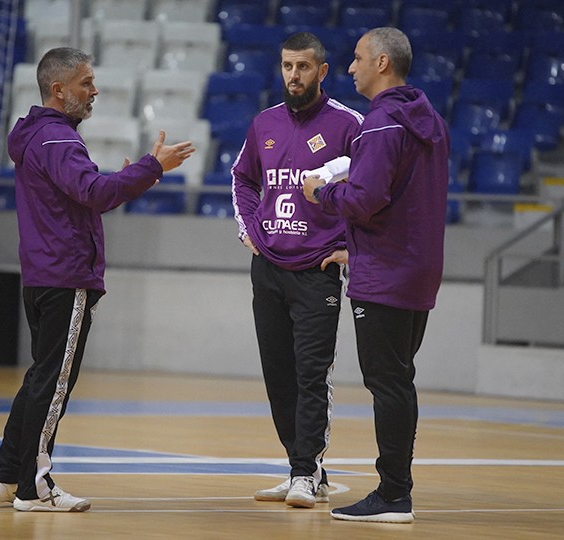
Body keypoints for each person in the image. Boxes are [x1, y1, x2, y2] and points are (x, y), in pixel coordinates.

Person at [0, 47, 194, 512]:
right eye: (86, 83)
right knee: (54, 382)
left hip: (41, 273)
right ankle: (34, 487)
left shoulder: (36, 137)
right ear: (59, 90)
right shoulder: (58, 139)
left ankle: (5, 474)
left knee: (41, 376)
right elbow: (96, 193)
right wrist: (151, 167)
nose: (94, 91)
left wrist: (129, 176)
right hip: (65, 274)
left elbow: (79, 194)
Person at [302, 27, 450, 523]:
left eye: (358, 57)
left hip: (386, 275)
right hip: (414, 269)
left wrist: (321, 193)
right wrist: (359, 252)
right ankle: (395, 490)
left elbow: (364, 200)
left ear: (382, 63)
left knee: (387, 383)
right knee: (398, 379)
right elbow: (406, 201)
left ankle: (392, 495)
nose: (350, 67)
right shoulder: (430, 121)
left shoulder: (382, 124)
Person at [232, 32, 364, 509]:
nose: (294, 75)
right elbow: (242, 178)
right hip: (267, 267)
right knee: (278, 374)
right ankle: (303, 468)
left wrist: (354, 247)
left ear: (322, 71)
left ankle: (305, 471)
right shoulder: (263, 122)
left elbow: (374, 189)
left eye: (303, 67)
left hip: (316, 270)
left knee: (311, 373)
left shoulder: (350, 124)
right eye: (288, 66)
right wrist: (247, 227)